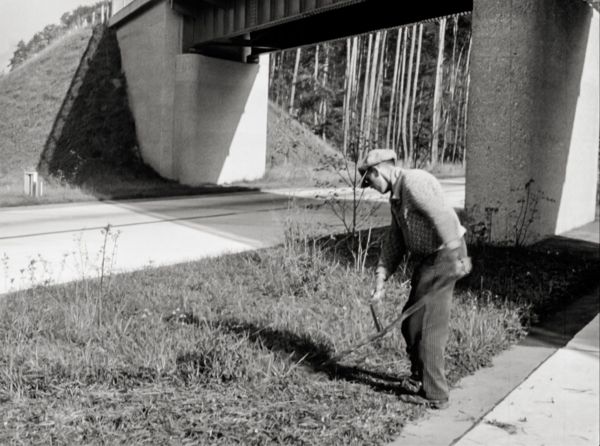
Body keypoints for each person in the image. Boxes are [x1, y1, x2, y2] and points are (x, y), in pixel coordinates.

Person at [358, 149, 471, 410]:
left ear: (377, 171)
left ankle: (435, 393)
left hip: (445, 256)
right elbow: (395, 241)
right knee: (411, 323)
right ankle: (421, 377)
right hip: (429, 261)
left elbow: (443, 216)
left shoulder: (413, 182)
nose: (372, 188)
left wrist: (457, 255)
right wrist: (381, 277)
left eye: (370, 181)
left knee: (429, 327)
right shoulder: (397, 198)